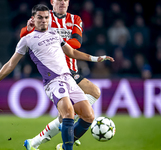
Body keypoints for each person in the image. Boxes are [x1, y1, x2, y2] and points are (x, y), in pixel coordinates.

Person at [0, 4, 114, 150]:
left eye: (46, 18)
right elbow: (10, 64)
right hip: (54, 82)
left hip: (69, 78)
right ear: (33, 19)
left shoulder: (55, 34)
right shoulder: (27, 40)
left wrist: (96, 58)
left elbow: (72, 53)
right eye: (40, 17)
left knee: (89, 116)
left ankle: (59, 140)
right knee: (68, 113)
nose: (44, 20)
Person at [19, 0, 104, 149]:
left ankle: (34, 142)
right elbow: (24, 35)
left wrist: (52, 40)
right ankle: (64, 139)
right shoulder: (44, 17)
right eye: (59, 0)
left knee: (71, 111)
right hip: (56, 71)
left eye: (66, 0)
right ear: (52, 2)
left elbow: (77, 43)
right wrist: (28, 28)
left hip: (71, 69)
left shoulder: (75, 19)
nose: (63, 2)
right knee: (87, 98)